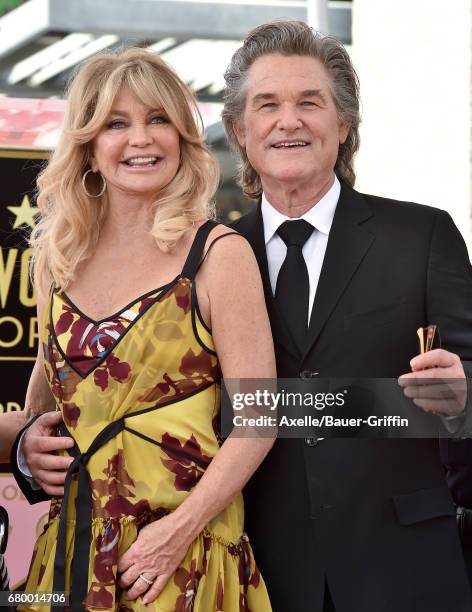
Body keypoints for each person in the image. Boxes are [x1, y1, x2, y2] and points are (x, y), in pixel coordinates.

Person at [11, 48, 276, 611]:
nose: (142, 139)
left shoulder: (218, 255)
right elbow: (43, 406)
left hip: (180, 561)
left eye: (158, 119)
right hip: (67, 559)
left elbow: (259, 419)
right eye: (116, 123)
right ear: (87, 145)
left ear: (182, 135)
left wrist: (177, 531)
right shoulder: (56, 261)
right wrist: (26, 446)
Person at [221, 20, 472, 612]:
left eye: (310, 102)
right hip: (260, 575)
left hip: (406, 574)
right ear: (238, 130)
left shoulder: (423, 235)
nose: (289, 121)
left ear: (344, 124)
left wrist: (462, 402)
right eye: (268, 105)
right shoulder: (212, 257)